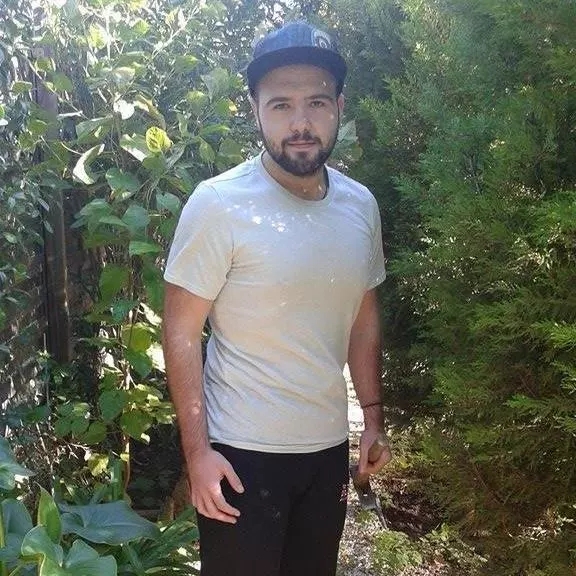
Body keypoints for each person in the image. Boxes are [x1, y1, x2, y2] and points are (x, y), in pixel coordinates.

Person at [162, 21, 391, 576]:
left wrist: (374, 416)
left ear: (339, 107)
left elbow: (362, 318)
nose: (300, 123)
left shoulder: (360, 207)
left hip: (327, 452)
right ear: (256, 111)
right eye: (281, 105)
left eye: (316, 103)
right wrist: (198, 454)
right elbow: (181, 331)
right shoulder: (219, 204)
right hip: (241, 457)